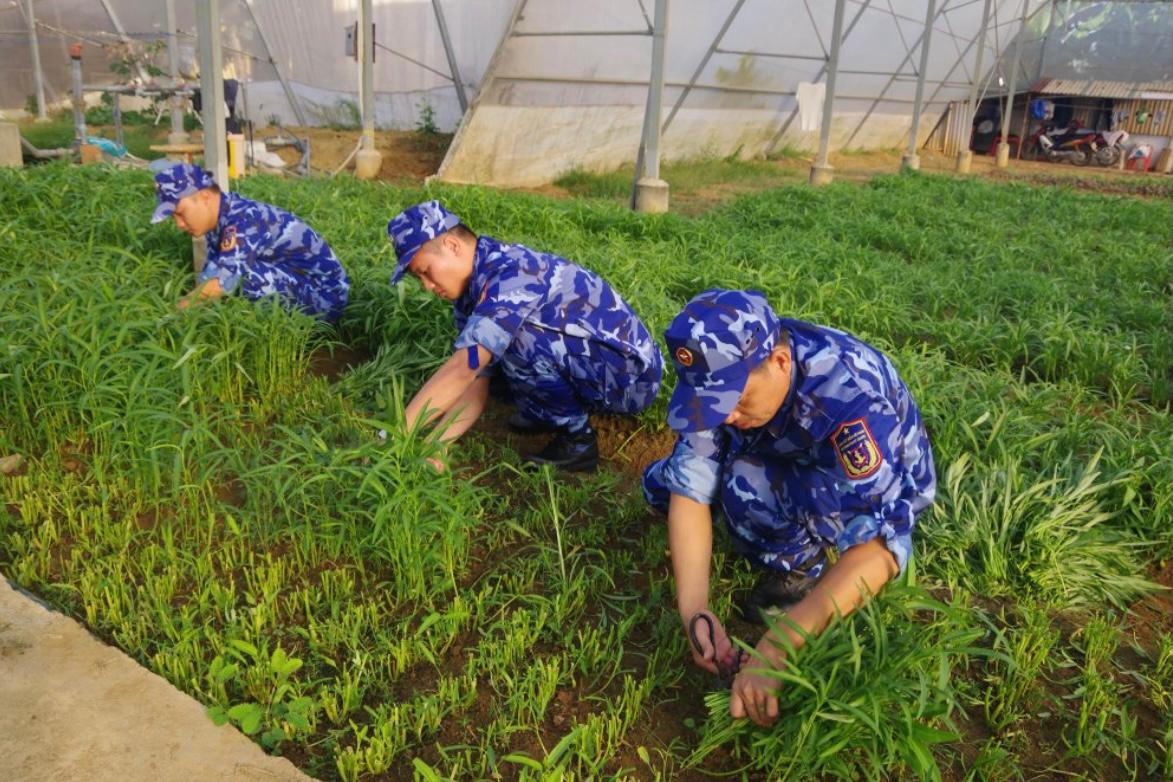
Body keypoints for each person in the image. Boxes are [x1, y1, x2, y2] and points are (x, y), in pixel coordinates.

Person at [642, 289, 936, 726]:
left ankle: (800, 571)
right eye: (712, 403)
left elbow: (881, 547)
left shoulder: (850, 397)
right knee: (661, 487)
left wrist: (782, 643)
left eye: (735, 400)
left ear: (780, 362)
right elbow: (689, 491)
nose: (725, 416)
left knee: (745, 484)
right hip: (779, 445)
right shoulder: (721, 373)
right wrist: (695, 611)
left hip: (856, 479)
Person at [387, 200, 663, 472]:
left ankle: (577, 441)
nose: (427, 286)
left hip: (631, 379)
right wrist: (438, 443)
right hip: (592, 364)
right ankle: (544, 411)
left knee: (517, 338)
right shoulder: (470, 293)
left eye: (425, 271)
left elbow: (463, 369)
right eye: (419, 278)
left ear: (452, 245)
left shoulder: (509, 273)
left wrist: (396, 435)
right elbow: (474, 379)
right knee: (490, 353)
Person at [151, 163, 349, 320]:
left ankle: (280, 335)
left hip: (326, 297)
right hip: (300, 284)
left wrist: (171, 315)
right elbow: (211, 276)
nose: (179, 224)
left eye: (180, 213)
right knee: (220, 275)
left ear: (205, 197)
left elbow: (220, 283)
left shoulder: (244, 220)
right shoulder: (219, 220)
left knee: (241, 278)